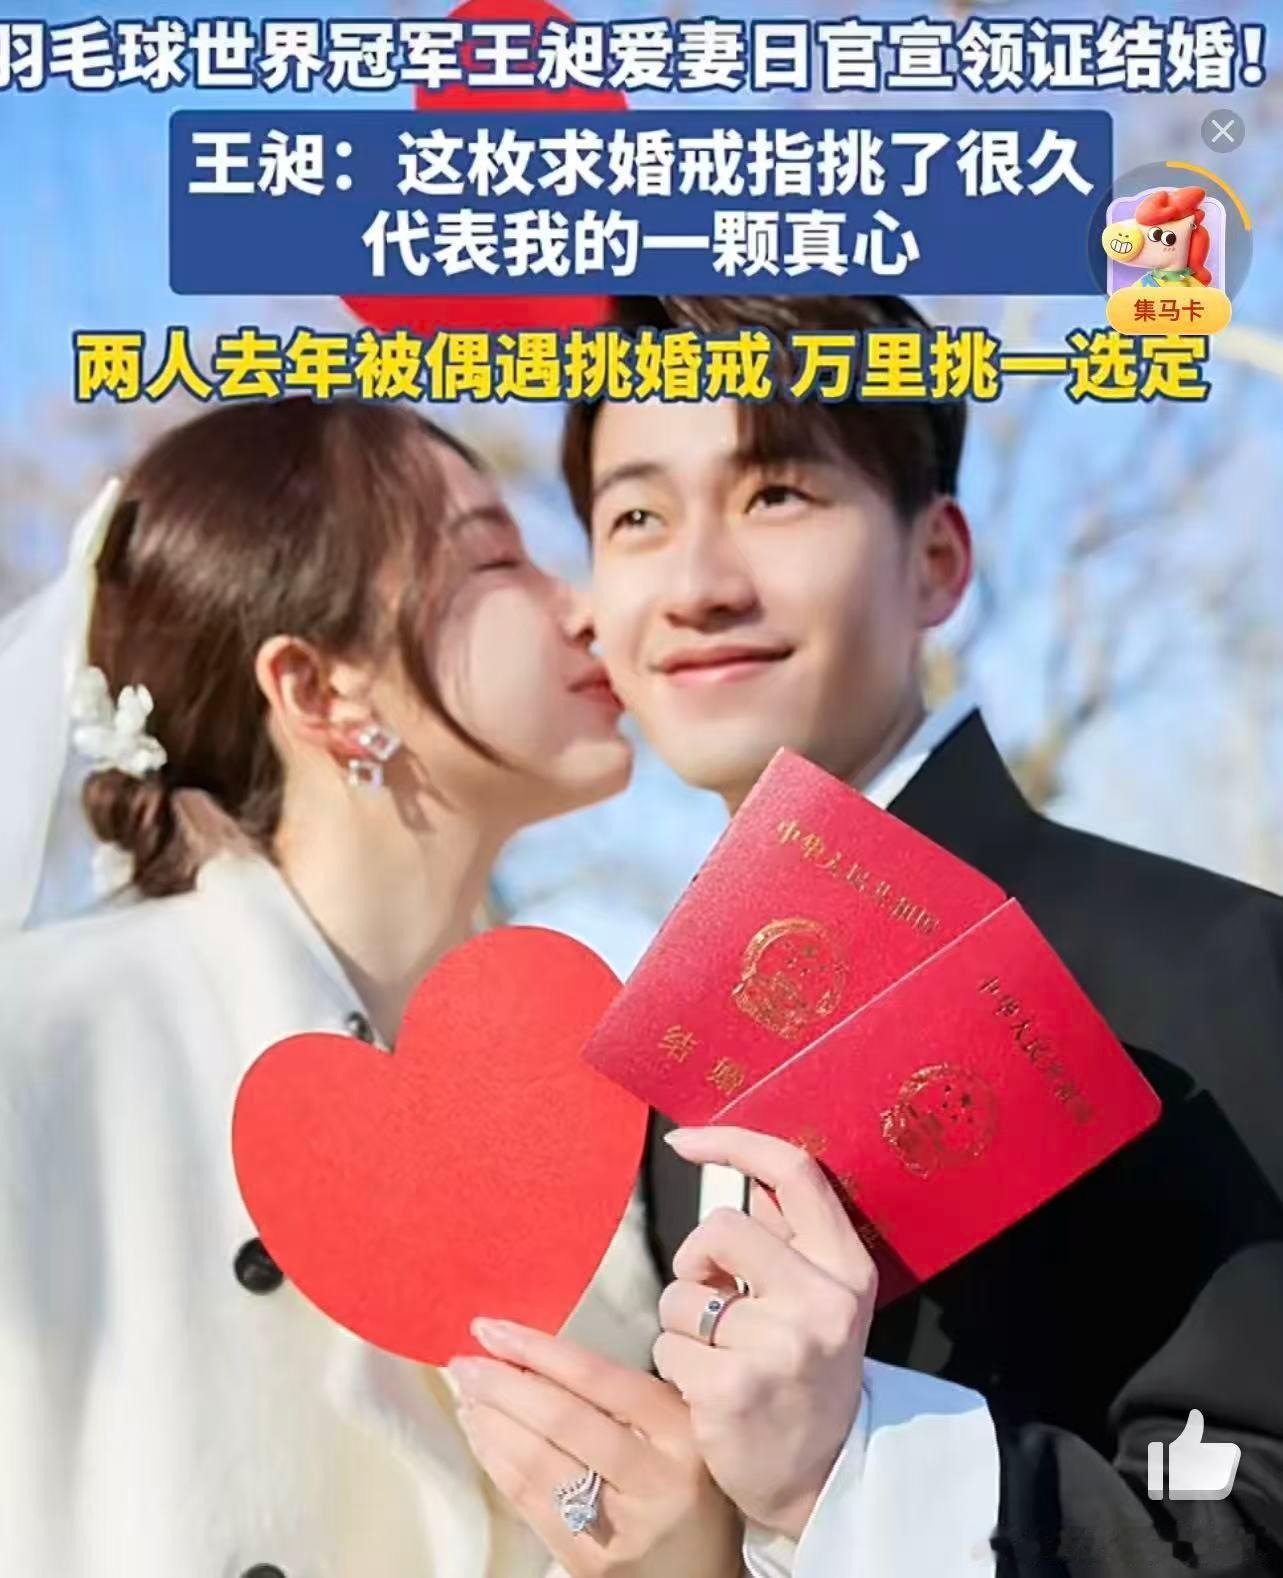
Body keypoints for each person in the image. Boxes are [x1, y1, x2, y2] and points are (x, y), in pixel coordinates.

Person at [559, 294, 1283, 1577]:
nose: (698, 585)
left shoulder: (1207, 963)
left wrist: (849, 1465)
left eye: (776, 494)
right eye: (635, 518)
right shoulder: (659, 1089)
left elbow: (1255, 1512)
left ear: (937, 561)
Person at [0, 397, 744, 1578]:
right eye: (495, 559)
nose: (588, 609)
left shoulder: (605, 1098)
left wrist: (693, 1556)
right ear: (320, 691)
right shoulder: (48, 1047)